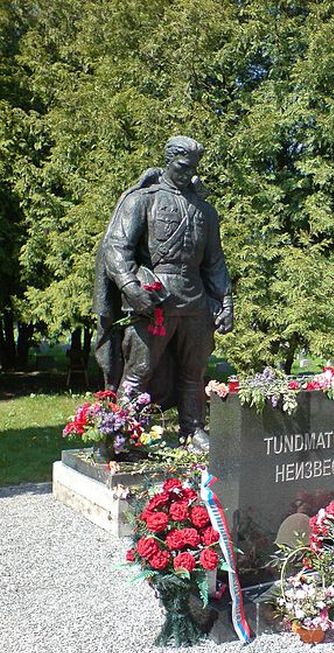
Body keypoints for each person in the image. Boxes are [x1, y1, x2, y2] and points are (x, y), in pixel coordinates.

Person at [93, 136, 233, 451]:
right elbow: (117, 247)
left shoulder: (205, 211)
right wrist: (130, 285)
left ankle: (192, 430)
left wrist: (225, 302)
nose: (188, 174)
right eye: (183, 166)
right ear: (169, 162)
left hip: (194, 302)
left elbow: (214, 262)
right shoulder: (142, 200)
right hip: (154, 300)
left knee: (193, 372)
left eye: (193, 168)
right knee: (138, 371)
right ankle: (121, 434)